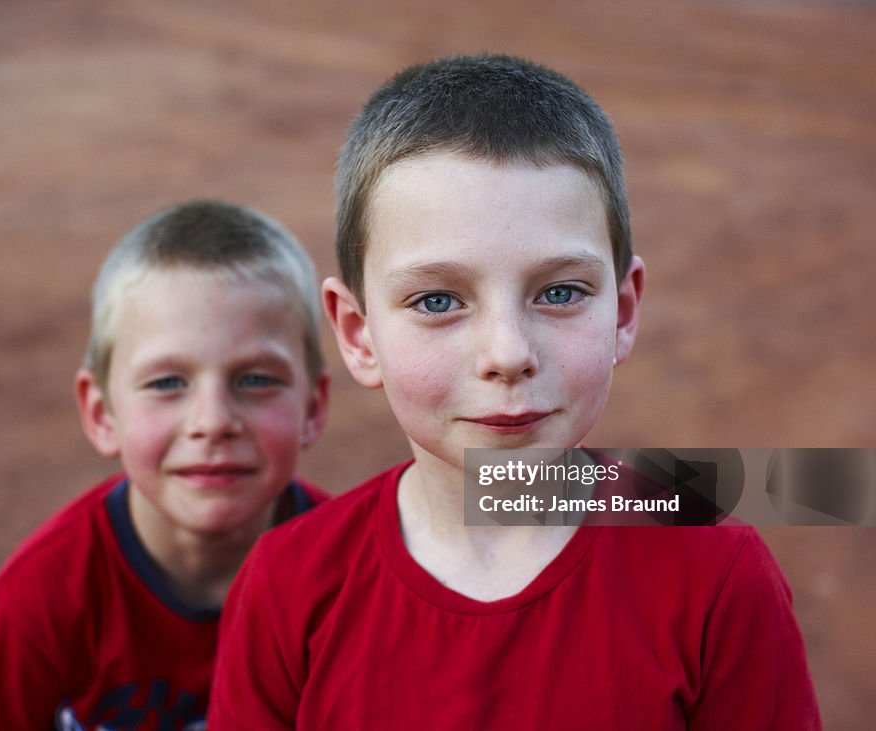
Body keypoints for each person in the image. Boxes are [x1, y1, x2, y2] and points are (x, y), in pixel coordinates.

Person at [208, 54, 820, 728]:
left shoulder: (718, 571)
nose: (507, 354)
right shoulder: (287, 585)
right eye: (437, 299)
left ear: (621, 311)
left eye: (559, 292)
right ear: (358, 333)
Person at [0, 201, 329, 730]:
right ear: (102, 414)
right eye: (167, 383)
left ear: (312, 407)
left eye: (256, 379)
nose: (213, 422)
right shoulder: (42, 595)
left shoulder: (349, 572)